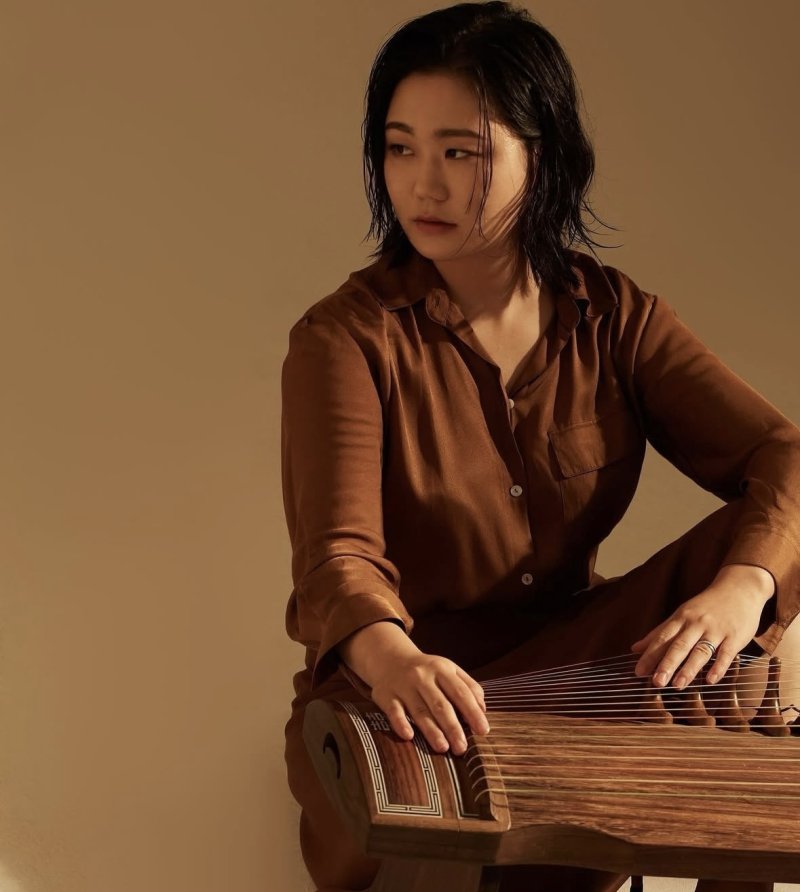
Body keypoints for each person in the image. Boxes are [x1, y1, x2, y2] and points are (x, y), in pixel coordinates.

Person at [280, 3, 800, 891]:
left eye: (460, 152)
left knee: (749, 564)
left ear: (545, 156)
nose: (423, 185)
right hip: (412, 693)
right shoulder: (347, 338)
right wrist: (392, 656)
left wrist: (745, 589)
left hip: (576, 669)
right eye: (400, 148)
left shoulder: (615, 317)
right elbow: (337, 558)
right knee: (727, 705)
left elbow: (782, 455)